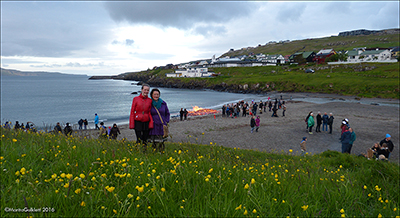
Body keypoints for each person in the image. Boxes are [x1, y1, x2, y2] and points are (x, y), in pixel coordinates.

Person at [129, 84, 154, 149]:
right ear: (142, 90)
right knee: (139, 138)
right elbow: (132, 111)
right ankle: (137, 150)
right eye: (145, 90)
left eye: (147, 90)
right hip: (137, 120)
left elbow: (150, 112)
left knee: (145, 139)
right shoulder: (136, 99)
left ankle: (144, 151)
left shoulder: (150, 100)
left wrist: (151, 122)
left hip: (146, 121)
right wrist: (131, 124)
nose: (146, 91)